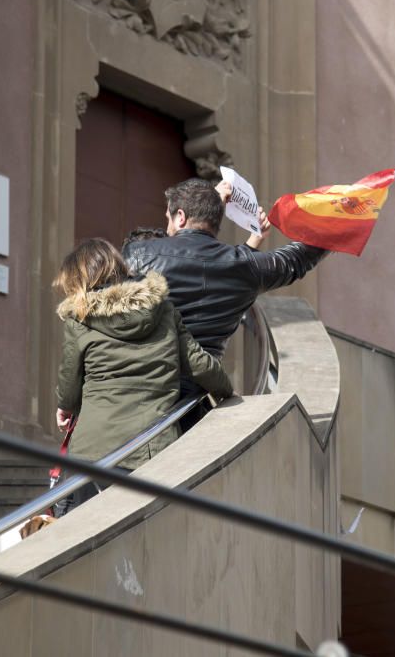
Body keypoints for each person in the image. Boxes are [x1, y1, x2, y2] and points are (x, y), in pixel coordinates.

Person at [53, 238, 233, 513]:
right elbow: (199, 364)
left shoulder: (80, 319)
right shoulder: (163, 310)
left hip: (93, 450)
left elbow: (69, 384)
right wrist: (226, 390)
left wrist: (65, 407)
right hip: (153, 449)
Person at [122, 177, 329, 359]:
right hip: (200, 394)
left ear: (181, 217)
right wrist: (336, 226)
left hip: (140, 383)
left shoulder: (139, 254)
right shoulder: (245, 267)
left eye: (169, 218)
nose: (167, 228)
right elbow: (295, 260)